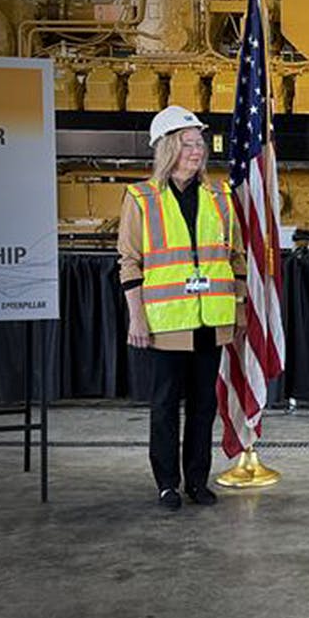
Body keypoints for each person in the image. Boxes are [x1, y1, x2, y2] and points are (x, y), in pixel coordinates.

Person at [118, 105, 247, 511]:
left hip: (211, 319)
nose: (197, 151)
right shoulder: (141, 198)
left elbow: (236, 258)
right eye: (188, 144)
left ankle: (197, 480)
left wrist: (239, 309)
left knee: (204, 405)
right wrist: (136, 315)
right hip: (166, 323)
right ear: (168, 147)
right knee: (164, 406)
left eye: (200, 144)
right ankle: (167, 484)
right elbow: (129, 262)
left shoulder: (221, 196)